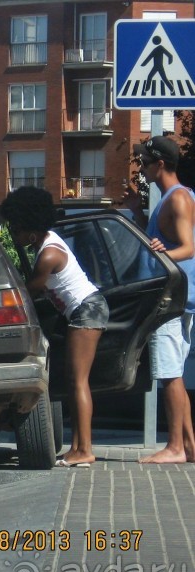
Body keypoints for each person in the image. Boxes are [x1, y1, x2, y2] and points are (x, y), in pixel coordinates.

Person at [1, 186, 109, 467]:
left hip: (87, 310)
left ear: (30, 231)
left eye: (16, 228)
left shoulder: (48, 256)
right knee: (74, 382)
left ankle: (85, 449)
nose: (14, 233)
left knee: (77, 381)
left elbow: (26, 293)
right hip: (85, 310)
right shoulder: (46, 242)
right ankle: (77, 447)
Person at [123, 135, 195, 464]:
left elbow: (188, 247)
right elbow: (158, 241)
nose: (142, 168)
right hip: (176, 297)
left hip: (173, 300)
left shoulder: (178, 199)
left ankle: (175, 447)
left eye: (145, 163)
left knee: (170, 374)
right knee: (173, 372)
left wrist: (167, 254)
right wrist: (138, 211)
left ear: (161, 165)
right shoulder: (169, 199)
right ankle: (189, 447)